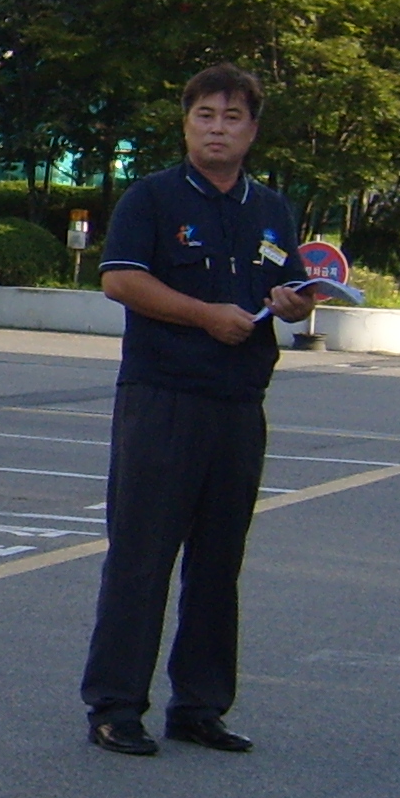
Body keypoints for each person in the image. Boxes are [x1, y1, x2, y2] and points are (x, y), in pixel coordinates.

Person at [78, 64, 317, 758]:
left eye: (232, 117)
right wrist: (206, 315)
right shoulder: (152, 198)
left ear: (253, 130)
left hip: (238, 403)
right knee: (141, 558)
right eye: (205, 115)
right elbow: (121, 280)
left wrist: (295, 303)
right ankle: (116, 706)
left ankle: (200, 705)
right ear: (186, 124)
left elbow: (294, 287)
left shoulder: (271, 208)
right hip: (163, 399)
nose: (218, 129)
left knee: (219, 562)